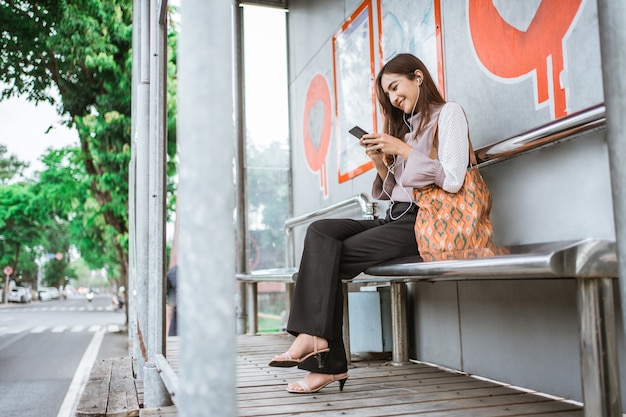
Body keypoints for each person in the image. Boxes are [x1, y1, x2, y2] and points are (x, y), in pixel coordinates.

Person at [269, 53, 470, 394]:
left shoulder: (448, 114)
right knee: (320, 232)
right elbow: (394, 192)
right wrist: (381, 161)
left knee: (324, 262)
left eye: (395, 87)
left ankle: (322, 356)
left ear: (418, 77)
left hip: (426, 222)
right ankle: (316, 342)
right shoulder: (406, 127)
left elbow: (452, 180)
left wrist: (403, 151)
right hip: (397, 217)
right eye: (387, 94)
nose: (393, 98)